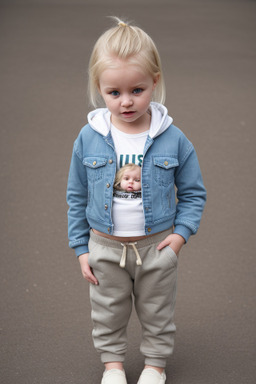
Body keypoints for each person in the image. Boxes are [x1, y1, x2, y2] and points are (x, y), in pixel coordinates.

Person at [67, 17, 206, 384]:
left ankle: (154, 366)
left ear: (155, 82)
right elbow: (76, 195)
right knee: (107, 311)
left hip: (156, 246)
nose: (126, 101)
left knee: (157, 310)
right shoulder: (89, 138)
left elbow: (193, 193)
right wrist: (82, 248)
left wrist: (179, 238)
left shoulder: (174, 139)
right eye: (114, 92)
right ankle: (113, 366)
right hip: (104, 247)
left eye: (137, 90)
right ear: (99, 88)